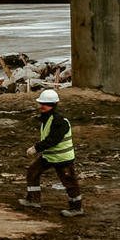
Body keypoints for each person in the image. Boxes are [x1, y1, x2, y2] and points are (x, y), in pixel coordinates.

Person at [20, 88, 83, 216]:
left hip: (62, 158)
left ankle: (76, 208)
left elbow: (52, 140)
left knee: (69, 183)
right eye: (41, 103)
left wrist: (36, 148)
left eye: (46, 104)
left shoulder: (59, 121)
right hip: (50, 156)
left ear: (53, 105)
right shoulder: (47, 119)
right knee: (32, 172)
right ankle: (33, 200)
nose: (42, 106)